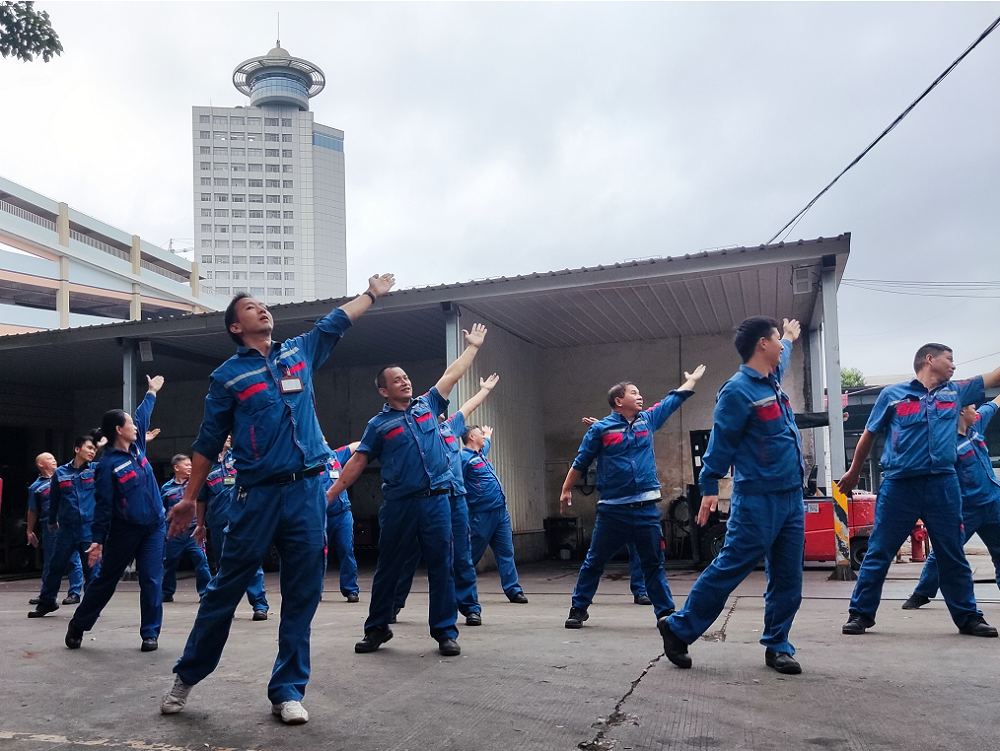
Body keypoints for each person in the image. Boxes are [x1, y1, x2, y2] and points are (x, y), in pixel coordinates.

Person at [160, 272, 396, 725]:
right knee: (225, 589)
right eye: (250, 308)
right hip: (257, 496)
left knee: (302, 592)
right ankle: (188, 676)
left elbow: (335, 322)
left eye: (263, 306)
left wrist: (370, 295)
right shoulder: (228, 377)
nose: (262, 310)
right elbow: (208, 442)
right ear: (235, 327)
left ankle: (287, 690)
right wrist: (190, 498)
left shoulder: (298, 352)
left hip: (307, 492)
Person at [329, 323, 489, 657]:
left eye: (406, 377)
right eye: (397, 379)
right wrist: (330, 494)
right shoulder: (379, 425)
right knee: (389, 567)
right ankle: (376, 629)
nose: (405, 381)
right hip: (400, 505)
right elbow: (358, 462)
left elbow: (451, 375)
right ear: (384, 391)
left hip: (436, 503)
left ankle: (445, 632)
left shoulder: (428, 405)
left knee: (441, 566)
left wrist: (472, 347)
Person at [659, 317, 805, 675]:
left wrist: (787, 335)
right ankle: (678, 628)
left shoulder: (770, 379)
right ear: (761, 345)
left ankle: (778, 645)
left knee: (789, 577)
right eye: (776, 340)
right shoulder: (737, 391)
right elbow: (720, 444)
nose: (781, 347)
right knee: (730, 568)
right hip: (757, 498)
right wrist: (709, 488)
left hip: (790, 498)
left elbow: (783, 356)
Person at [838, 343, 1000, 638]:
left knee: (952, 553)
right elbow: (869, 434)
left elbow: (994, 376)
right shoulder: (892, 395)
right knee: (879, 551)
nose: (953, 365)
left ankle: (969, 617)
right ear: (929, 360)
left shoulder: (957, 392)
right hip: (900, 485)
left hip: (943, 484)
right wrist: (854, 471)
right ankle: (860, 614)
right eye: (949, 359)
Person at [560, 365, 705, 630]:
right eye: (634, 393)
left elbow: (669, 402)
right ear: (619, 401)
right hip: (612, 511)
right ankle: (578, 609)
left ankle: (665, 612)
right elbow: (581, 461)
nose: (640, 397)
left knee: (653, 563)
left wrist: (691, 382)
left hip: (647, 508)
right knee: (595, 561)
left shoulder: (646, 421)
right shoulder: (601, 430)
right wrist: (566, 488)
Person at [66, 377, 168, 652]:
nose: (135, 427)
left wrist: (151, 392)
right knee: (105, 581)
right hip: (125, 531)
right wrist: (97, 541)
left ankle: (150, 632)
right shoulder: (107, 466)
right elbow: (103, 507)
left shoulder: (138, 449)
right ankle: (79, 623)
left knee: (151, 578)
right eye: (130, 425)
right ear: (118, 430)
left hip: (154, 527)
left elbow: (142, 416)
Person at [394, 374, 500, 626]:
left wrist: (484, 390)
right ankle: (393, 604)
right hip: (425, 499)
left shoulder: (451, 427)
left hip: (455, 500)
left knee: (461, 555)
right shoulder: (414, 432)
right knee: (409, 555)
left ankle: (470, 608)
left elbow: (468, 406)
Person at [902, 393, 1000, 609]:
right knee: (944, 552)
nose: (977, 411)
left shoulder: (976, 424)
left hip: (994, 502)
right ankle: (922, 593)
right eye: (972, 407)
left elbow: (992, 405)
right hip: (966, 509)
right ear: (961, 412)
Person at [580, 417, 654, 607]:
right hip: (614, 508)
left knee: (639, 551)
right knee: (596, 557)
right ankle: (580, 603)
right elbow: (581, 461)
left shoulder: (640, 430)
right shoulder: (602, 436)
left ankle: (640, 590)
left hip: (638, 505)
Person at [194, 437, 269, 620]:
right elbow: (201, 499)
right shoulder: (206, 464)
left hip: (244, 518)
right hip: (218, 521)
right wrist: (200, 524)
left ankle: (259, 604)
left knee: (250, 559)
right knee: (223, 564)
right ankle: (226, 606)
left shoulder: (240, 456)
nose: (228, 436)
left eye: (229, 434)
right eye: (223, 433)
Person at [28, 435, 102, 618]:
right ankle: (47, 603)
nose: (93, 451)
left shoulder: (95, 470)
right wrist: (52, 521)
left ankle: (90, 607)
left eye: (95, 449)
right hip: (66, 529)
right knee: (55, 566)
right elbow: (54, 500)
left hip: (88, 529)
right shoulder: (61, 473)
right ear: (77, 449)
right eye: (89, 448)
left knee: (92, 569)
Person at [463, 425, 528, 605]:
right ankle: (455, 587)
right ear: (471, 436)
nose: (483, 437)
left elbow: (487, 444)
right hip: (481, 515)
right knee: (470, 556)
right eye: (480, 434)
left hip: (500, 513)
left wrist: (488, 435)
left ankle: (513, 590)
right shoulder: (463, 459)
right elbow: (456, 484)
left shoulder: (481, 455)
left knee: (506, 552)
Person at [27, 452, 83, 606]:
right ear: (40, 464)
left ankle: (75, 592)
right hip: (49, 528)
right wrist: (30, 531)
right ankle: (47, 595)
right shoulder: (35, 487)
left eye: (54, 458)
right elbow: (32, 510)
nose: (54, 460)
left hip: (68, 524)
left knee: (73, 559)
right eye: (49, 459)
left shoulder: (67, 477)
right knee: (50, 562)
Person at [161, 454, 212, 602]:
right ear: (176, 468)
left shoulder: (197, 485)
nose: (190, 467)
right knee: (169, 563)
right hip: (174, 534)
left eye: (191, 464)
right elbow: (162, 509)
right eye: (187, 465)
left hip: (193, 532)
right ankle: (167, 592)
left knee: (201, 560)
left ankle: (205, 592)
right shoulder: (166, 488)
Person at [323, 442, 361, 603]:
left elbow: (354, 446)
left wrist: (373, 437)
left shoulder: (335, 455)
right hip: (321, 516)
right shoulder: (307, 463)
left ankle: (351, 589)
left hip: (342, 514)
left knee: (346, 550)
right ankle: (314, 590)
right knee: (318, 555)